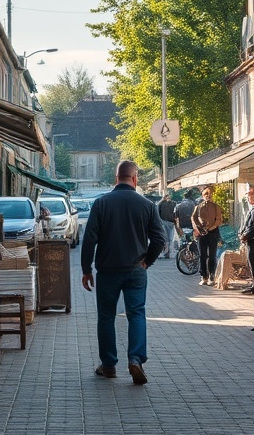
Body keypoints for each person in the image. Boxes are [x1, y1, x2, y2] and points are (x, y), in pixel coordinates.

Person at [81, 160, 164, 385]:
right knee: (136, 314)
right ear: (135, 179)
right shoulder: (147, 205)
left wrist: (86, 269)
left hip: (107, 271)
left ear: (116, 178)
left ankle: (109, 365)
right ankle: (135, 359)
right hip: (136, 270)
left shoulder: (101, 203)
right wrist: (147, 261)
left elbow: (89, 239)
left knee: (106, 317)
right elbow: (159, 239)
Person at [191, 185, 224, 287]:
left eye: (210, 194)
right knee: (202, 255)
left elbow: (219, 219)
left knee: (212, 255)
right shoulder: (198, 207)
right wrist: (198, 228)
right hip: (202, 234)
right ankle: (204, 276)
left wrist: (211, 228)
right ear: (202, 195)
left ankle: (212, 276)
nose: (208, 196)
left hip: (213, 233)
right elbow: (193, 218)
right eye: (206, 194)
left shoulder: (216, 207)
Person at [238, 186, 254, 295]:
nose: (248, 197)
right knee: (252, 264)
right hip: (252, 240)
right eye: (248, 195)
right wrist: (241, 233)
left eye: (250, 195)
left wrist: (245, 236)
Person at [157, 194, 177, 258]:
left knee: (168, 239)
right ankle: (167, 251)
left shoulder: (161, 204)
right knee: (168, 238)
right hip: (167, 222)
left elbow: (157, 213)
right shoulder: (162, 204)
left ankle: (167, 252)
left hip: (167, 222)